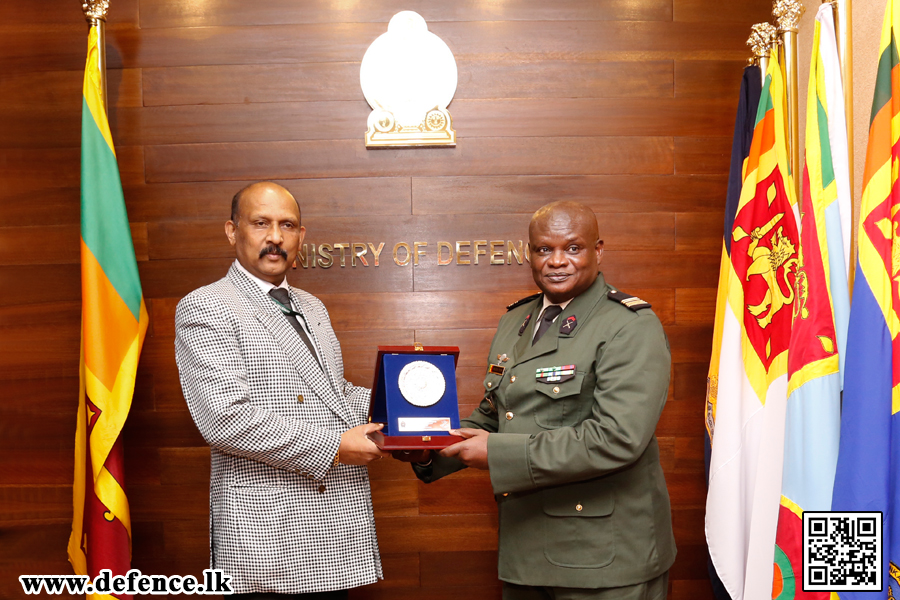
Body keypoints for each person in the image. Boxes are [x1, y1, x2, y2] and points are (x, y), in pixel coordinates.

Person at [397, 201, 676, 600]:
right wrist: (427, 449)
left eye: (573, 248)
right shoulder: (517, 321)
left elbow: (617, 438)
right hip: (527, 551)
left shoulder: (629, 325)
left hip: (604, 558)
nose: (557, 261)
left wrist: (496, 452)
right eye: (544, 249)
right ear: (529, 253)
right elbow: (494, 415)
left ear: (598, 251)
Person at [175, 182, 388, 599]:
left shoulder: (310, 305)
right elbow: (226, 419)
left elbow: (333, 393)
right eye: (261, 223)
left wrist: (406, 408)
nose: (275, 237)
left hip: (334, 522)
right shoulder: (206, 306)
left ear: (301, 237)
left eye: (287, 225)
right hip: (268, 533)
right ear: (232, 231)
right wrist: (333, 447)